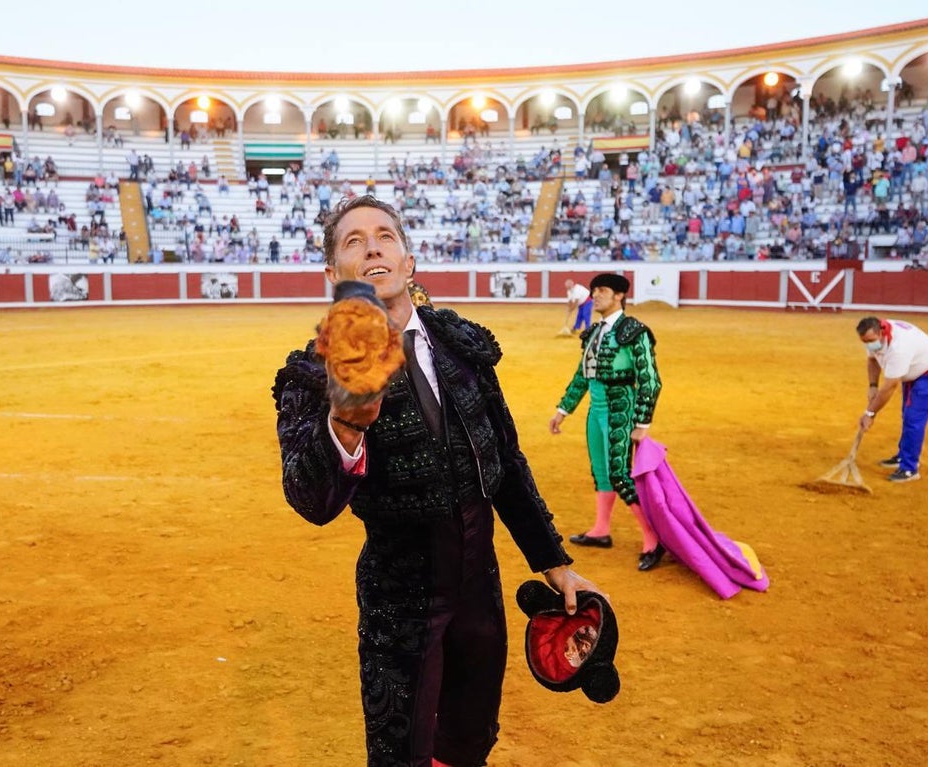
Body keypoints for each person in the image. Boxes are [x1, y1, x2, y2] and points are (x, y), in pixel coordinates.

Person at [273, 196, 594, 767]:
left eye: (384, 236)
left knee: (470, 738)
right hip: (400, 595)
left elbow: (506, 461)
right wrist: (343, 423)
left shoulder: (461, 344)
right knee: (401, 752)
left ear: (408, 260)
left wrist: (553, 559)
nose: (372, 246)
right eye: (353, 241)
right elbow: (310, 499)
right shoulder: (315, 372)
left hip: (479, 585)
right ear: (332, 274)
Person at [548, 273, 665, 571]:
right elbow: (581, 376)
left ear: (619, 296)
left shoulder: (634, 331)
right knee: (601, 472)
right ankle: (601, 530)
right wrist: (563, 409)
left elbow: (650, 380)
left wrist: (642, 423)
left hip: (620, 407)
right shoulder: (593, 332)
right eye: (594, 290)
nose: (595, 295)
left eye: (602, 291)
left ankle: (653, 539)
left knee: (620, 474)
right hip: (595, 409)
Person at [856, 317, 928, 482]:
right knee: (907, 414)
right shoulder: (875, 336)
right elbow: (872, 359)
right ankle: (903, 456)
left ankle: (910, 469)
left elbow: (890, 386)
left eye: (870, 341)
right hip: (913, 369)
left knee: (914, 419)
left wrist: (870, 413)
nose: (869, 345)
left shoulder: (899, 348)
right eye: (865, 342)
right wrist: (872, 386)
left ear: (881, 333)